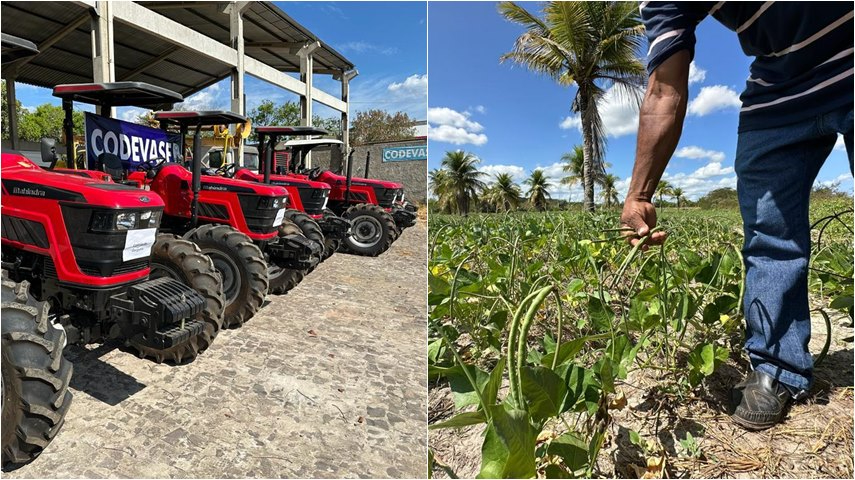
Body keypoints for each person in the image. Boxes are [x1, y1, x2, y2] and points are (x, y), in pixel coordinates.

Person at [621, 2, 853, 430]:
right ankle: (778, 366)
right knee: (769, 232)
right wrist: (639, 193)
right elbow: (664, 89)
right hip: (779, 88)